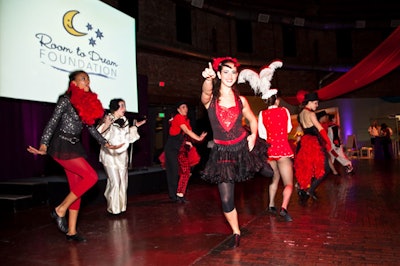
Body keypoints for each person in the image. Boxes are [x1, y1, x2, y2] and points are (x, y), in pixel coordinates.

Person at [27, 70, 123, 242]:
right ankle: (60, 209)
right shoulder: (65, 101)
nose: (87, 82)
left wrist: (105, 142)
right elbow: (53, 121)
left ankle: (71, 231)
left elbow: (91, 128)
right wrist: (44, 144)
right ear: (74, 83)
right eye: (83, 79)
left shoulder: (84, 103)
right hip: (61, 145)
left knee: (77, 187)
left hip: (74, 146)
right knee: (92, 177)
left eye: (88, 80)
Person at [200, 57, 268, 248]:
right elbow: (205, 92)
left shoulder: (241, 100)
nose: (230, 75)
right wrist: (208, 79)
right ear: (219, 74)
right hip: (223, 153)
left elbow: (253, 120)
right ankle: (236, 231)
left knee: (269, 172)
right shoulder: (211, 100)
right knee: (227, 198)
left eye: (233, 72)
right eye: (226, 72)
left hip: (243, 146)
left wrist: (253, 135)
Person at [97, 98, 147, 215]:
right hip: (110, 156)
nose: (124, 109)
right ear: (115, 108)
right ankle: (114, 209)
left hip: (122, 156)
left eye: (124, 106)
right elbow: (98, 134)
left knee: (123, 181)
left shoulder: (124, 120)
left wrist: (135, 127)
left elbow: (126, 137)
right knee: (115, 181)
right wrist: (107, 125)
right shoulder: (107, 118)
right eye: (122, 106)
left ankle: (121, 207)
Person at [258, 90, 294, 222]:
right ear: (277, 100)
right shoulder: (284, 111)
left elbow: (262, 135)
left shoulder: (262, 114)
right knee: (289, 183)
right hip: (283, 149)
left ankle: (271, 205)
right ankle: (283, 208)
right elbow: (289, 128)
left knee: (274, 178)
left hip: (270, 150)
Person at [164, 101, 207, 203]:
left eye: (186, 107)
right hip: (171, 148)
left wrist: (189, 142)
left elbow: (186, 135)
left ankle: (179, 194)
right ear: (178, 110)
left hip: (179, 148)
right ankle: (174, 195)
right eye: (183, 107)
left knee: (184, 171)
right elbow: (187, 131)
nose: (186, 109)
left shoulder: (185, 120)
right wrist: (199, 138)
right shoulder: (178, 117)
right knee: (173, 172)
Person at [293, 91, 332, 201]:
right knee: (325, 168)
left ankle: (305, 189)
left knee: (308, 169)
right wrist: (328, 142)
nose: (317, 105)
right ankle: (310, 190)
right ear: (309, 102)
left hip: (305, 142)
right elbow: (320, 129)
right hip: (313, 143)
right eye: (315, 103)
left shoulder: (300, 115)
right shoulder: (311, 114)